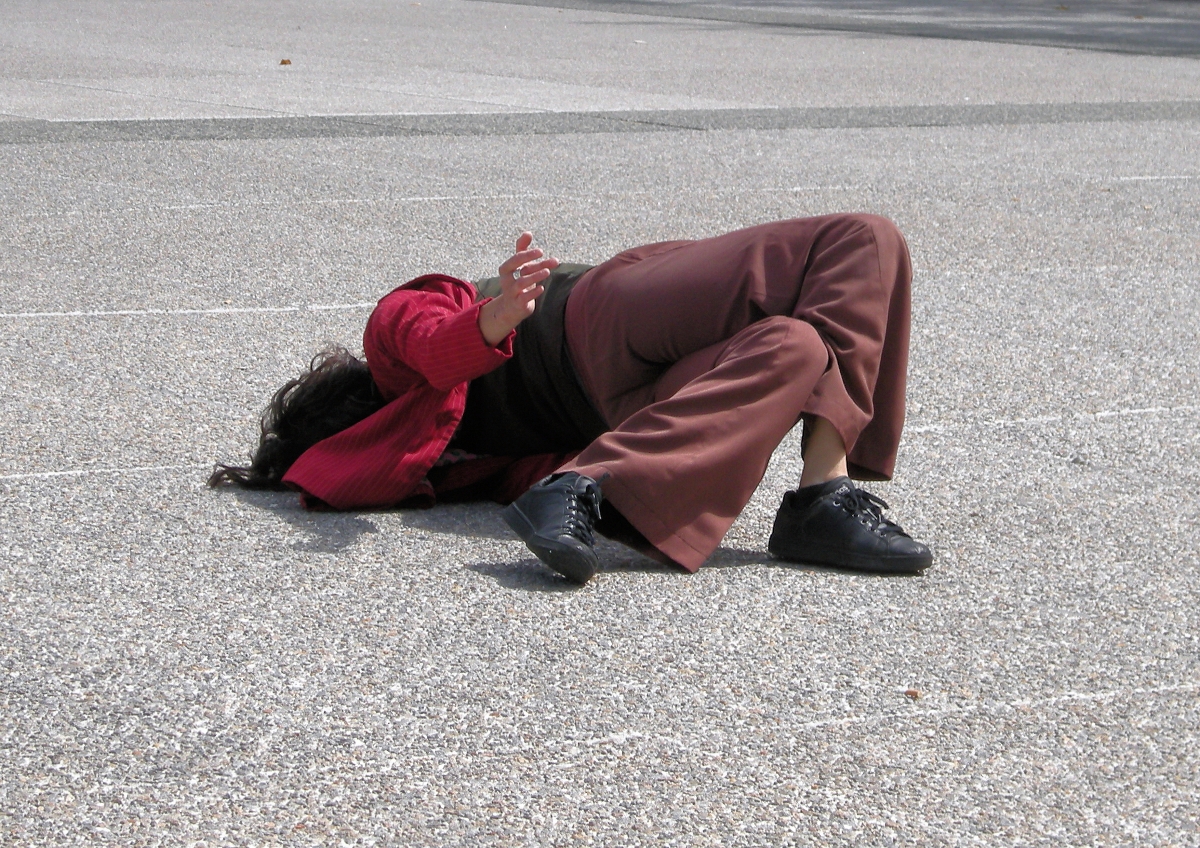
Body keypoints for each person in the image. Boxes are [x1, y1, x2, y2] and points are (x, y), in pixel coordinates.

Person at [210, 215, 932, 583]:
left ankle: (817, 502)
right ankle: (820, 502)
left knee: (813, 329)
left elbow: (428, 339)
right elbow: (532, 460)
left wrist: (486, 324)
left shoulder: (393, 355)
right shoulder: (448, 461)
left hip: (602, 350)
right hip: (604, 353)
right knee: (857, 249)